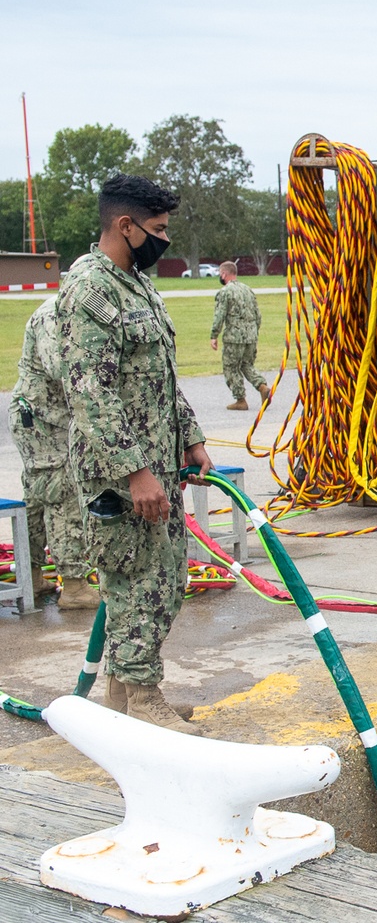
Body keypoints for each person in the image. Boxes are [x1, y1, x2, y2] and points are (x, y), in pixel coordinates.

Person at [57, 173, 213, 734]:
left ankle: (124, 694)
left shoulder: (136, 284)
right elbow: (89, 392)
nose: (163, 240)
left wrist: (190, 437)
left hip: (157, 462)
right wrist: (137, 472)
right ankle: (143, 700)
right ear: (125, 225)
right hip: (121, 474)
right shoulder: (91, 290)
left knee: (167, 576)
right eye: (159, 229)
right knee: (136, 579)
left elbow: (160, 378)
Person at [8, 296, 99, 610]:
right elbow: (59, 367)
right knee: (62, 494)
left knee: (38, 497)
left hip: (48, 417)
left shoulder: (77, 311)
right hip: (42, 420)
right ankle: (74, 585)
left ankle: (31, 575)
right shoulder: (53, 314)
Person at [210, 260, 268, 411]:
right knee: (247, 364)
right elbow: (258, 315)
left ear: (224, 274)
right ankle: (262, 387)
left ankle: (240, 399)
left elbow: (220, 315)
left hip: (234, 337)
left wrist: (214, 335)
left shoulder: (225, 292)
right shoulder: (248, 290)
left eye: (220, 274)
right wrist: (254, 331)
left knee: (231, 367)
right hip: (251, 335)